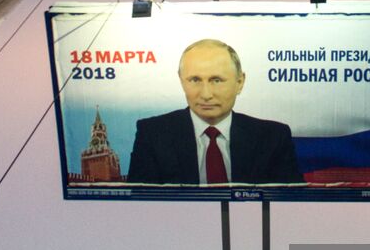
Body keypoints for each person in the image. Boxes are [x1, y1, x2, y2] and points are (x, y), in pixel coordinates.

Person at [129, 39, 302, 185]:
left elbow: (290, 207)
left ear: (240, 82)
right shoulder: (153, 134)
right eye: (195, 80)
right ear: (181, 81)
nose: (206, 94)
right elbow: (137, 208)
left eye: (217, 80)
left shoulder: (273, 138)